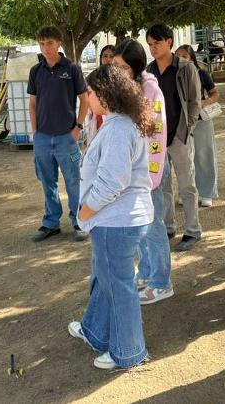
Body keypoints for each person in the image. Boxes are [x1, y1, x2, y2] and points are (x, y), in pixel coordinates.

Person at [68, 64, 155, 370]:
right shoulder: (120, 123)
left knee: (118, 286)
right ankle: (95, 330)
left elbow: (112, 182)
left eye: (90, 92)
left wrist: (84, 212)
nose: (87, 98)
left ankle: (128, 352)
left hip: (116, 220)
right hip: (123, 218)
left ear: (104, 93)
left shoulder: (119, 128)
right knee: (110, 280)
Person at [111, 39, 172, 305]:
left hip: (149, 172)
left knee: (154, 228)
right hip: (133, 172)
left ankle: (162, 282)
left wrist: (150, 177)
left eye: (124, 67)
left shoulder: (150, 92)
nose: (118, 72)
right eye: (115, 66)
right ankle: (147, 273)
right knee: (140, 227)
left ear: (135, 67)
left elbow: (154, 137)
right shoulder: (126, 87)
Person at [28, 26, 89, 242]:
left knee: (74, 181)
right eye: (42, 43)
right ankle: (51, 223)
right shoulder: (36, 71)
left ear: (59, 43)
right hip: (43, 138)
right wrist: (35, 132)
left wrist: (78, 127)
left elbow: (85, 99)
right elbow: (33, 103)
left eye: (50, 43)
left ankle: (79, 221)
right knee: (47, 182)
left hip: (67, 137)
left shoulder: (71, 68)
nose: (46, 48)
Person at [145, 23, 203, 252]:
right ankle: (168, 226)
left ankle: (192, 230)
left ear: (169, 41)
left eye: (156, 43)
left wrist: (187, 130)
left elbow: (194, 102)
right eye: (149, 44)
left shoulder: (186, 68)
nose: (153, 48)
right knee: (161, 186)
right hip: (157, 139)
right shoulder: (148, 72)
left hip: (179, 136)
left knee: (187, 185)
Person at [175, 45, 220, 208]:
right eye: (178, 55)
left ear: (192, 57)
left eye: (185, 55)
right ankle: (186, 192)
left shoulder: (202, 74)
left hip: (201, 119)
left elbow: (215, 93)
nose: (181, 58)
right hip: (181, 121)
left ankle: (206, 192)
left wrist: (204, 102)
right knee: (184, 158)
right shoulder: (173, 75)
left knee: (204, 155)